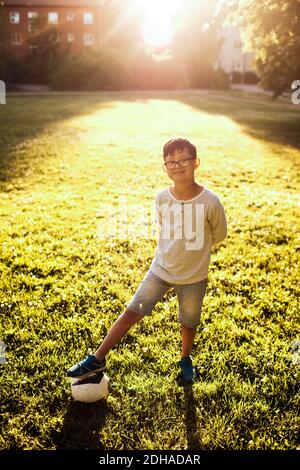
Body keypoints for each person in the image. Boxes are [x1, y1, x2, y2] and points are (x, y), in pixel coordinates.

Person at [66, 137, 227, 384]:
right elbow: (164, 227)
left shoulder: (211, 201)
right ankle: (97, 357)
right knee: (132, 311)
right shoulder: (162, 197)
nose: (177, 165)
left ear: (196, 163)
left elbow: (219, 234)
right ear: (165, 167)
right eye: (171, 161)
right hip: (161, 269)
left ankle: (185, 359)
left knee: (189, 320)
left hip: (194, 276)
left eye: (184, 159)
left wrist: (195, 253)